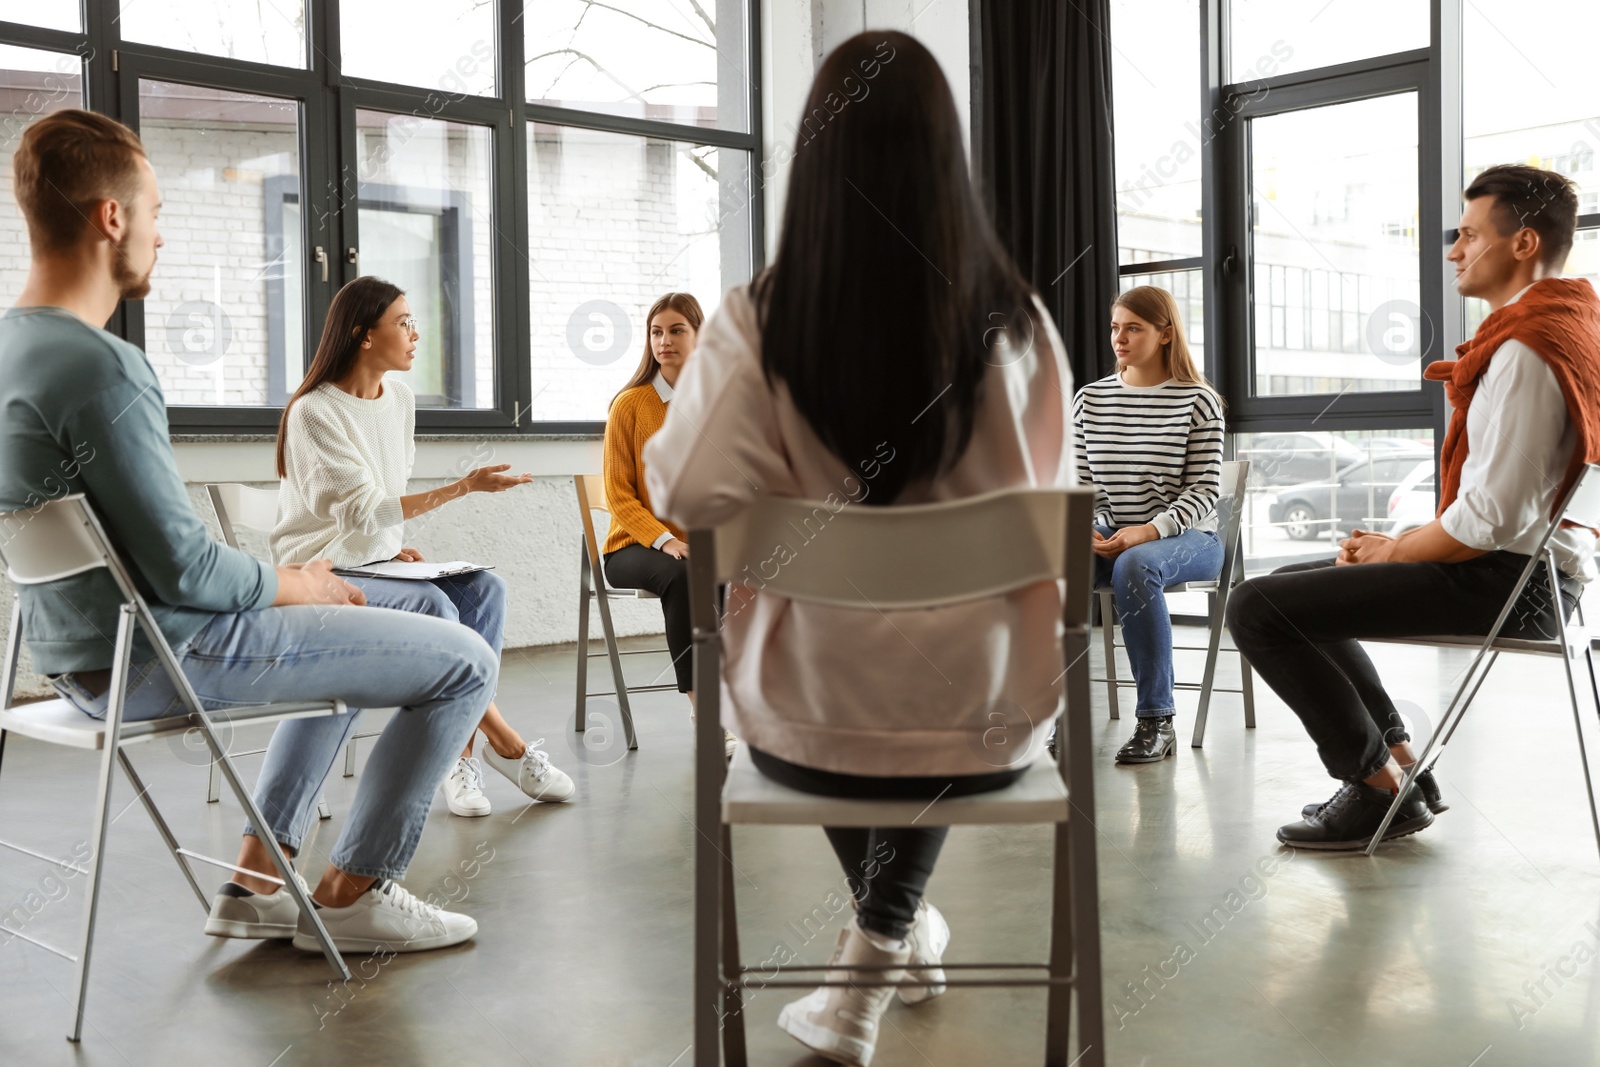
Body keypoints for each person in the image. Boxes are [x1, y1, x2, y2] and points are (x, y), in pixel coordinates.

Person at [644, 32, 1073, 1067]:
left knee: (856, 698)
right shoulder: (1019, 325)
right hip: (991, 718)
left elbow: (687, 490)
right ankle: (890, 940)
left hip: (802, 721)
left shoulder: (756, 318)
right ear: (949, 156)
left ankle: (865, 974)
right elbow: (1051, 512)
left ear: (815, 155)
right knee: (939, 684)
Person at [0, 109, 489, 953]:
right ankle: (355, 893)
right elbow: (189, 570)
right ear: (111, 218)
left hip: (74, 663)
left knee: (342, 630)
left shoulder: (12, 350)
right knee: (464, 660)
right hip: (166, 655)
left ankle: (259, 880)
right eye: (155, 212)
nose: (161, 234)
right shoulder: (101, 365)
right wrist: (294, 580)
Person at [1227, 163, 1600, 851]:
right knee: (1285, 590)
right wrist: (1396, 540)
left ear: (1521, 243)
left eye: (1467, 234)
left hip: (1513, 585)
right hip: (1531, 573)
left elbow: (1490, 521)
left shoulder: (1527, 348)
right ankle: (1400, 768)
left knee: (1254, 608)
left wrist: (1397, 548)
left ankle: (1374, 794)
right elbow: (1501, 506)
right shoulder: (1570, 323)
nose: (1454, 250)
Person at [272, 275, 575, 815]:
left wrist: (391, 548)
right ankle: (506, 743)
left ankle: (461, 756)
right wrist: (464, 487)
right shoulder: (314, 411)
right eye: (404, 323)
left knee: (484, 589)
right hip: (317, 572)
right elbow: (361, 508)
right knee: (434, 606)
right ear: (365, 336)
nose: (417, 333)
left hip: (374, 563)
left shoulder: (400, 400)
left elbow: (382, 503)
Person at [1075, 285, 1224, 763]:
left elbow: (1204, 491)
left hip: (1190, 538)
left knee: (1135, 565)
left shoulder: (1198, 401)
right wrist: (1092, 525)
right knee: (1052, 556)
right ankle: (1062, 715)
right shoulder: (1090, 400)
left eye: (1134, 328)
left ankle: (1156, 721)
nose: (1120, 337)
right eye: (1116, 327)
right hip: (1116, 536)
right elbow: (1082, 487)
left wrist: (1150, 529)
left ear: (1164, 334)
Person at [599, 292, 736, 758]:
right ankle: (706, 711)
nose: (664, 341)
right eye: (657, 332)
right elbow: (619, 495)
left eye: (677, 330)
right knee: (685, 574)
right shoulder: (631, 406)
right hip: (632, 548)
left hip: (698, 544)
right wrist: (666, 540)